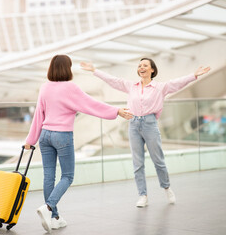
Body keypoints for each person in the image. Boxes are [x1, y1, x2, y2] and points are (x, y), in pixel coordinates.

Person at [24, 54, 133, 232]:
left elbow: (38, 115)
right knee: (67, 176)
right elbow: (91, 104)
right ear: (67, 68)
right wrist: (117, 111)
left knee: (48, 177)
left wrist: (30, 140)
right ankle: (49, 207)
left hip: (45, 135)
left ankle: (54, 217)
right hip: (62, 136)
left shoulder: (44, 87)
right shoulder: (71, 88)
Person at [81, 58, 210, 207]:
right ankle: (142, 195)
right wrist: (94, 70)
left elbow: (177, 83)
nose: (141, 67)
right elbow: (113, 80)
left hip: (150, 124)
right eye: (140, 66)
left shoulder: (160, 87)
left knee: (158, 160)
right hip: (133, 124)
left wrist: (194, 75)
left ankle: (166, 187)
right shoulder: (131, 86)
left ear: (152, 70)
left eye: (145, 65)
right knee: (137, 163)